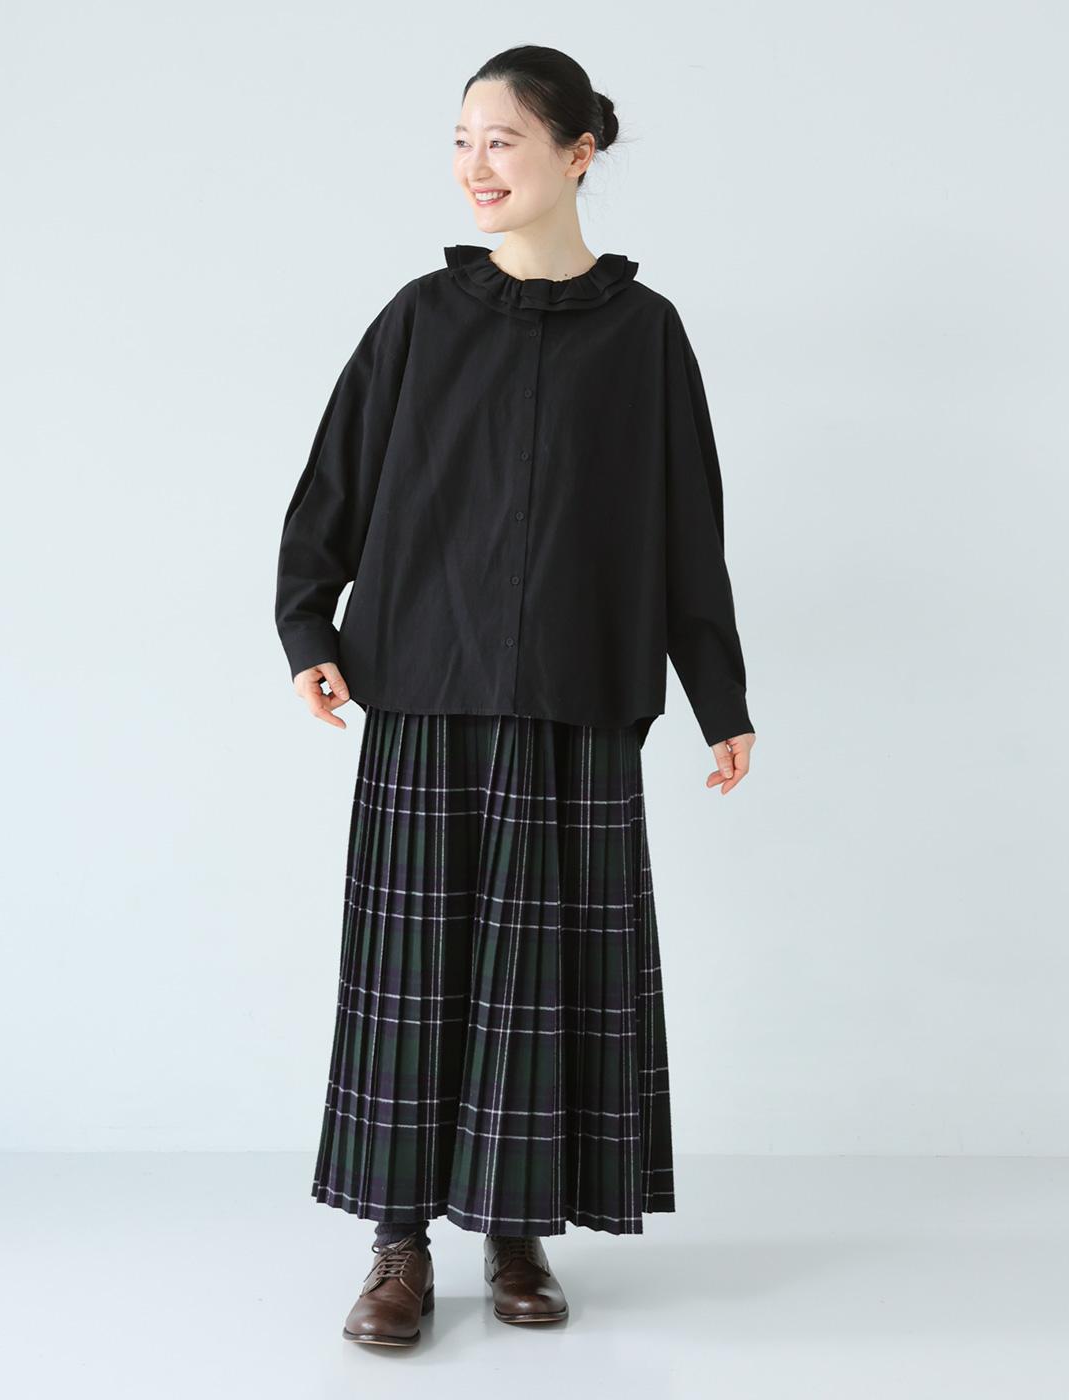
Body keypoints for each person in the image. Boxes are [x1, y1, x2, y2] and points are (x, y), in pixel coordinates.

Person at [274, 44, 756, 1348]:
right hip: (423, 692)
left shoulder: (645, 337)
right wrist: (309, 626)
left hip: (578, 699)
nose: (474, 166)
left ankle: (516, 1229)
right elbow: (332, 489)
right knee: (412, 980)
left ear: (577, 153)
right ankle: (397, 1246)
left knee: (538, 985)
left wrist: (719, 696)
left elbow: (687, 529)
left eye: (502, 140)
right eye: (461, 140)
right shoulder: (419, 320)